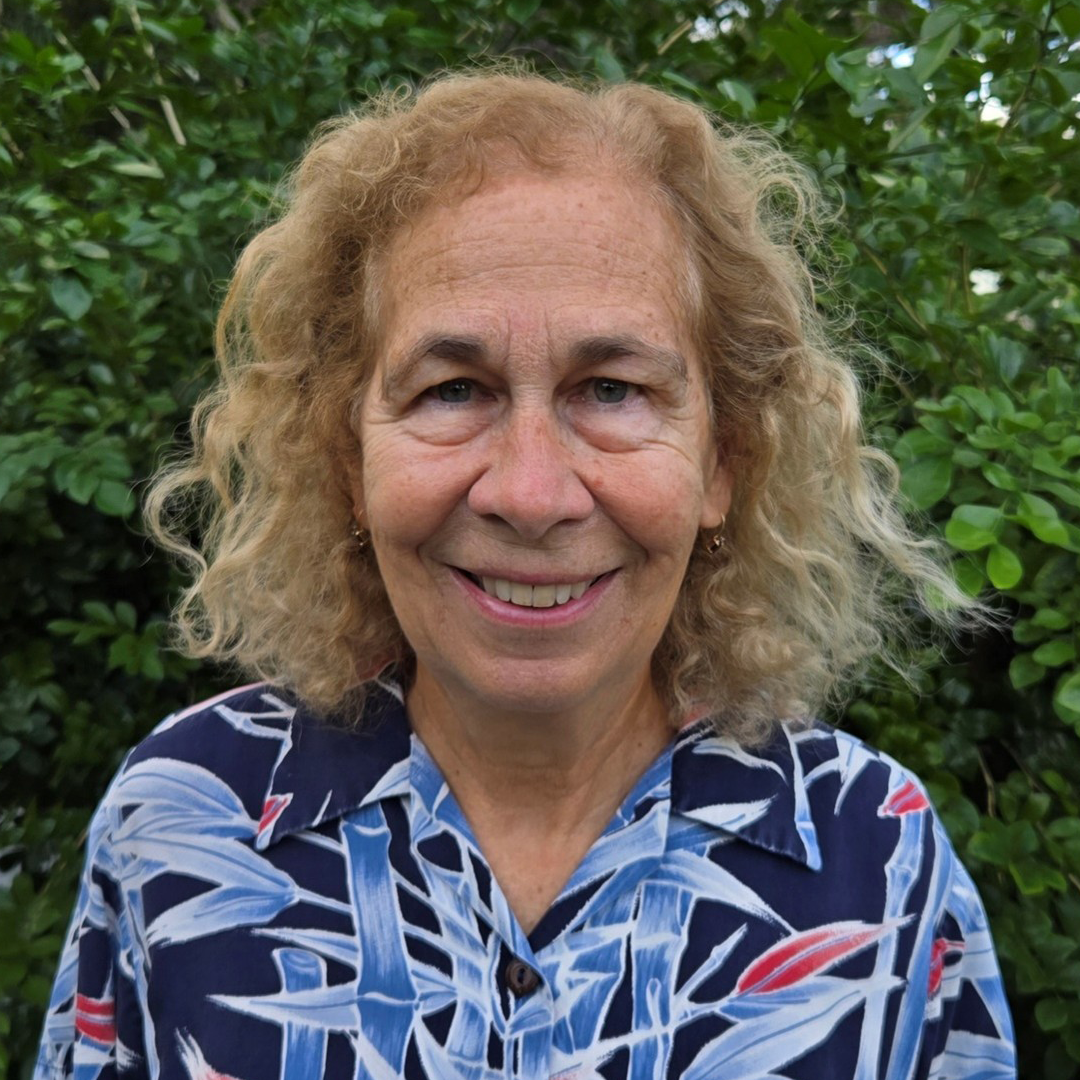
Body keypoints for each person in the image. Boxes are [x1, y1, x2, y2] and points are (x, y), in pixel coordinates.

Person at [36, 69, 1016, 1080]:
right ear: (348, 458)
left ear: (724, 461)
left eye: (612, 390)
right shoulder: (183, 821)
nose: (533, 493)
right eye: (453, 389)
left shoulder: (877, 858)